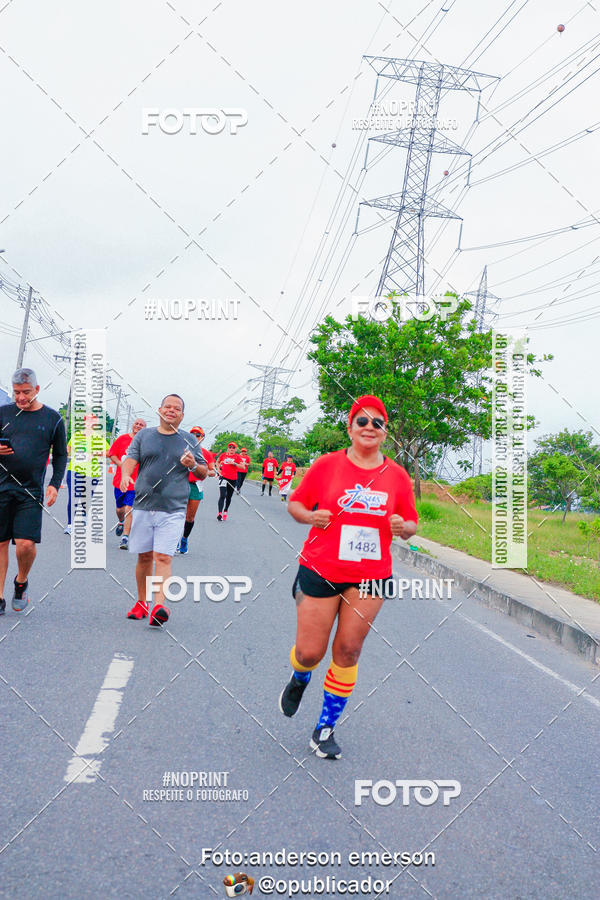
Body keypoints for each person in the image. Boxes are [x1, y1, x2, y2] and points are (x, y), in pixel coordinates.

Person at [278, 395, 418, 760]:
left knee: (348, 650)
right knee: (310, 653)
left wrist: (404, 528)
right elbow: (296, 502)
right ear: (350, 427)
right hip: (321, 568)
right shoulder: (327, 465)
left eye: (378, 423)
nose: (370, 427)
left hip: (371, 575)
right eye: (363, 421)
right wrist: (310, 517)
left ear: (385, 433)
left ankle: (325, 728)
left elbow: (412, 522)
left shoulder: (397, 476)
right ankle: (300, 677)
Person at [120, 394, 207, 626]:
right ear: (159, 410)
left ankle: (159, 605)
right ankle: (141, 603)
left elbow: (203, 472)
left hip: (173, 508)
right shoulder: (144, 435)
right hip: (143, 505)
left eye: (176, 408)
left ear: (182, 415)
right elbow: (131, 458)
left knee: (163, 557)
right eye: (167, 406)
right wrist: (126, 474)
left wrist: (193, 465)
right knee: (145, 556)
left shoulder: (189, 440)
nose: (171, 410)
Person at [0, 368, 67, 614]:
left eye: (26, 392)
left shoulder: (52, 419)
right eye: (17, 392)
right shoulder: (2, 413)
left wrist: (54, 483)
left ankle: (20, 582)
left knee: (25, 544)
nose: (20, 397)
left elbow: (61, 454)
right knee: (0, 543)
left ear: (37, 390)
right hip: (1, 488)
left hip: (30, 491)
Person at [65, 414, 110, 535]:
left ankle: (84, 515)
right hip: (74, 470)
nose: (90, 423)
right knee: (73, 497)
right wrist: (70, 454)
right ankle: (70, 524)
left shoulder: (99, 438)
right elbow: (68, 448)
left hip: (92, 472)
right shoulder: (77, 436)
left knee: (87, 497)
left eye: (93, 421)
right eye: (88, 420)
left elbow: (108, 452)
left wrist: (96, 453)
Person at [107, 418, 147, 550]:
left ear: (144, 429)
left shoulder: (146, 443)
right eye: (137, 423)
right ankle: (121, 521)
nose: (138, 426)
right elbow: (111, 454)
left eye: (142, 425)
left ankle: (125, 537)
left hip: (135, 482)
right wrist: (121, 465)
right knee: (120, 509)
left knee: (129, 508)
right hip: (120, 480)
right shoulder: (122, 439)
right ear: (132, 425)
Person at [177, 426, 216, 554]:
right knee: (176, 514)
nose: (195, 436)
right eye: (192, 434)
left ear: (202, 438)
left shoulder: (206, 453)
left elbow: (212, 470)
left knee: (190, 517)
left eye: (198, 435)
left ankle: (184, 539)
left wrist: (207, 472)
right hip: (181, 483)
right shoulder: (182, 450)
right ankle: (173, 540)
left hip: (196, 485)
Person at [215, 442, 244, 521]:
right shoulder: (223, 455)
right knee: (222, 495)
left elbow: (243, 467)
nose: (231, 449)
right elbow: (217, 462)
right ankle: (220, 513)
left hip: (233, 479)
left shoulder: (237, 457)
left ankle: (225, 510)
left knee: (229, 497)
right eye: (230, 447)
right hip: (223, 477)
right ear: (228, 448)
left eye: (233, 447)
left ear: (235, 449)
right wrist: (218, 470)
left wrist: (234, 463)